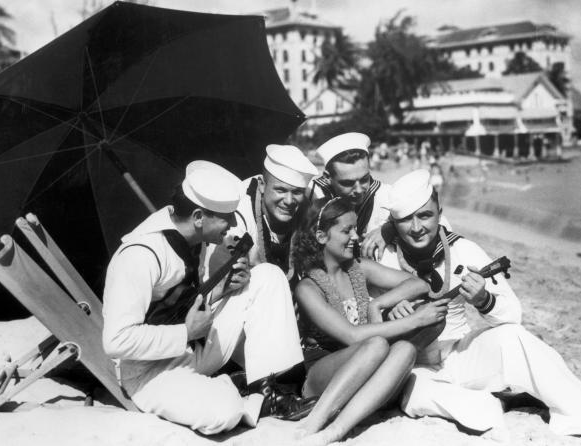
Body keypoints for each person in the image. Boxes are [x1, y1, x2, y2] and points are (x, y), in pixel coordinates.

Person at [377, 169, 581, 444]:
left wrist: (483, 299)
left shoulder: (463, 249)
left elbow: (514, 314)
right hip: (413, 365)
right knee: (417, 396)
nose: (416, 228)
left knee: (514, 338)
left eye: (425, 215)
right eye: (405, 220)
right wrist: (390, 316)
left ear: (440, 211)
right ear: (393, 221)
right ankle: (493, 404)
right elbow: (361, 319)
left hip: (459, 355)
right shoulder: (382, 257)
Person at [102, 161, 315, 436]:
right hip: (149, 372)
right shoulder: (139, 256)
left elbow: (178, 303)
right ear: (199, 216)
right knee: (223, 414)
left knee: (267, 277)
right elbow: (116, 341)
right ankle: (240, 390)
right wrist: (186, 333)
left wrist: (219, 292)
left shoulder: (189, 236)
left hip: (193, 347)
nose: (232, 225)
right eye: (226, 217)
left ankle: (270, 389)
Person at [292, 196, 448, 446]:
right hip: (321, 375)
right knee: (377, 344)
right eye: (346, 230)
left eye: (356, 229)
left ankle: (336, 431)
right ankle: (314, 422)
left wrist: (379, 303)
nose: (356, 237)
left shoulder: (359, 268)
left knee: (405, 349)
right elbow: (351, 336)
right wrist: (416, 320)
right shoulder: (307, 288)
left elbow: (419, 284)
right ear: (321, 237)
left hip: (365, 368)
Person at [308, 132, 450, 260]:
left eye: (364, 179)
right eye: (348, 183)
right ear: (327, 177)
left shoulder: (385, 194)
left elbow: (440, 223)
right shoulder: (311, 195)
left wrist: (390, 228)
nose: (359, 189)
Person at [204, 144, 318, 289]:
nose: (289, 201)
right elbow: (218, 282)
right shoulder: (237, 215)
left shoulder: (307, 209)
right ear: (262, 185)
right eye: (281, 190)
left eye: (297, 192)